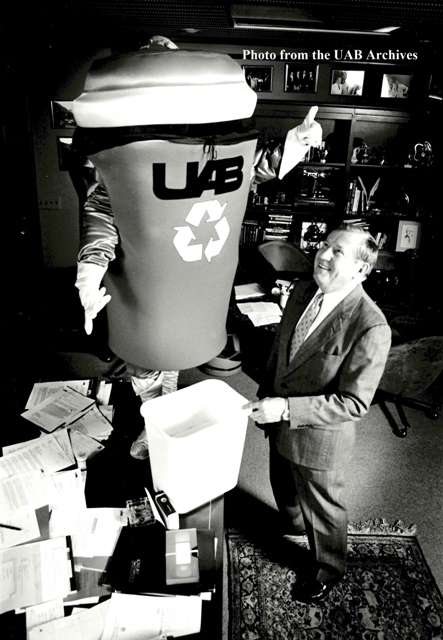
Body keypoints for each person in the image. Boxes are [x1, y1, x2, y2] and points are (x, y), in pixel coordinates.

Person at [73, 37, 323, 460]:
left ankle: (161, 416)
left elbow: (254, 169)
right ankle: (156, 423)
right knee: (148, 358)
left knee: (166, 358)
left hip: (193, 290)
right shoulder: (124, 164)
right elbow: (102, 215)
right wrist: (90, 273)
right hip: (144, 291)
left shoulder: (218, 152)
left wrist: (297, 142)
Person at [243, 223, 391, 604]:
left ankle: (328, 569)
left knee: (323, 510)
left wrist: (285, 408)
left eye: (337, 252)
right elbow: (284, 346)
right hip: (277, 422)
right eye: (323, 245)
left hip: (318, 439)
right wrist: (267, 393)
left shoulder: (371, 326)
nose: (322, 255)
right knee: (284, 487)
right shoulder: (304, 289)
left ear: (361, 270)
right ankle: (292, 524)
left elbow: (354, 404)